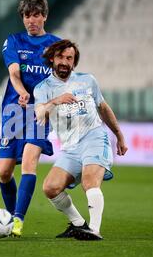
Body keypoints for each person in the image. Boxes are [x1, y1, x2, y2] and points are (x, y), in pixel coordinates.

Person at [34, 39, 128, 240]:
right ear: (52, 58)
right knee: (50, 187)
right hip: (70, 148)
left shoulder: (88, 80)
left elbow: (102, 107)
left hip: (94, 137)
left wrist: (119, 134)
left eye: (69, 58)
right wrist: (56, 101)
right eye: (60, 57)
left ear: (74, 62)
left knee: (89, 182)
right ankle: (78, 224)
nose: (64, 62)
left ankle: (94, 230)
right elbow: (40, 114)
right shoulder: (43, 88)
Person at [0, 0, 60, 237]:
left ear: (44, 16)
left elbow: (61, 81)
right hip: (13, 111)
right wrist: (23, 92)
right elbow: (14, 73)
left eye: (36, 15)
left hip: (40, 113)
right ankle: (11, 216)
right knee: (4, 172)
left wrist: (49, 105)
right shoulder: (13, 41)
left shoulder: (56, 46)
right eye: (27, 15)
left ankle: (18, 221)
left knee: (28, 162)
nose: (31, 20)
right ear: (22, 18)